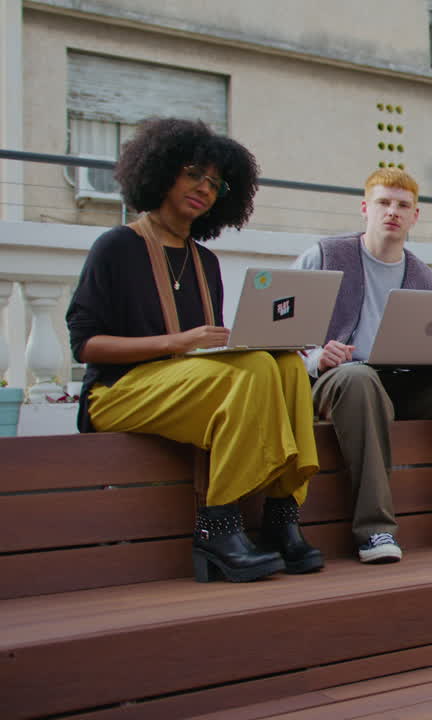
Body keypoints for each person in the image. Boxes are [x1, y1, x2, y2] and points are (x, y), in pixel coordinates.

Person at [67, 117, 323, 583]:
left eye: (215, 184)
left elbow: (209, 355)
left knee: (285, 364)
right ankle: (217, 526)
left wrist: (263, 340)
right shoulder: (116, 246)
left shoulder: (205, 261)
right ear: (161, 172)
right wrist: (177, 342)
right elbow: (85, 345)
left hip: (186, 385)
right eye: (193, 174)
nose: (204, 188)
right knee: (253, 368)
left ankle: (281, 515)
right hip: (117, 392)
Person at [294, 168, 432, 564]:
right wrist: (315, 357)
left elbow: (430, 348)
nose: (392, 211)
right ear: (365, 208)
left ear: (415, 216)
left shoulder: (423, 276)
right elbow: (281, 329)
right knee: (359, 377)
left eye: (403, 205)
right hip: (337, 381)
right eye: (383, 202)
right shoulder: (325, 255)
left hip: (402, 383)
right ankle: (374, 529)